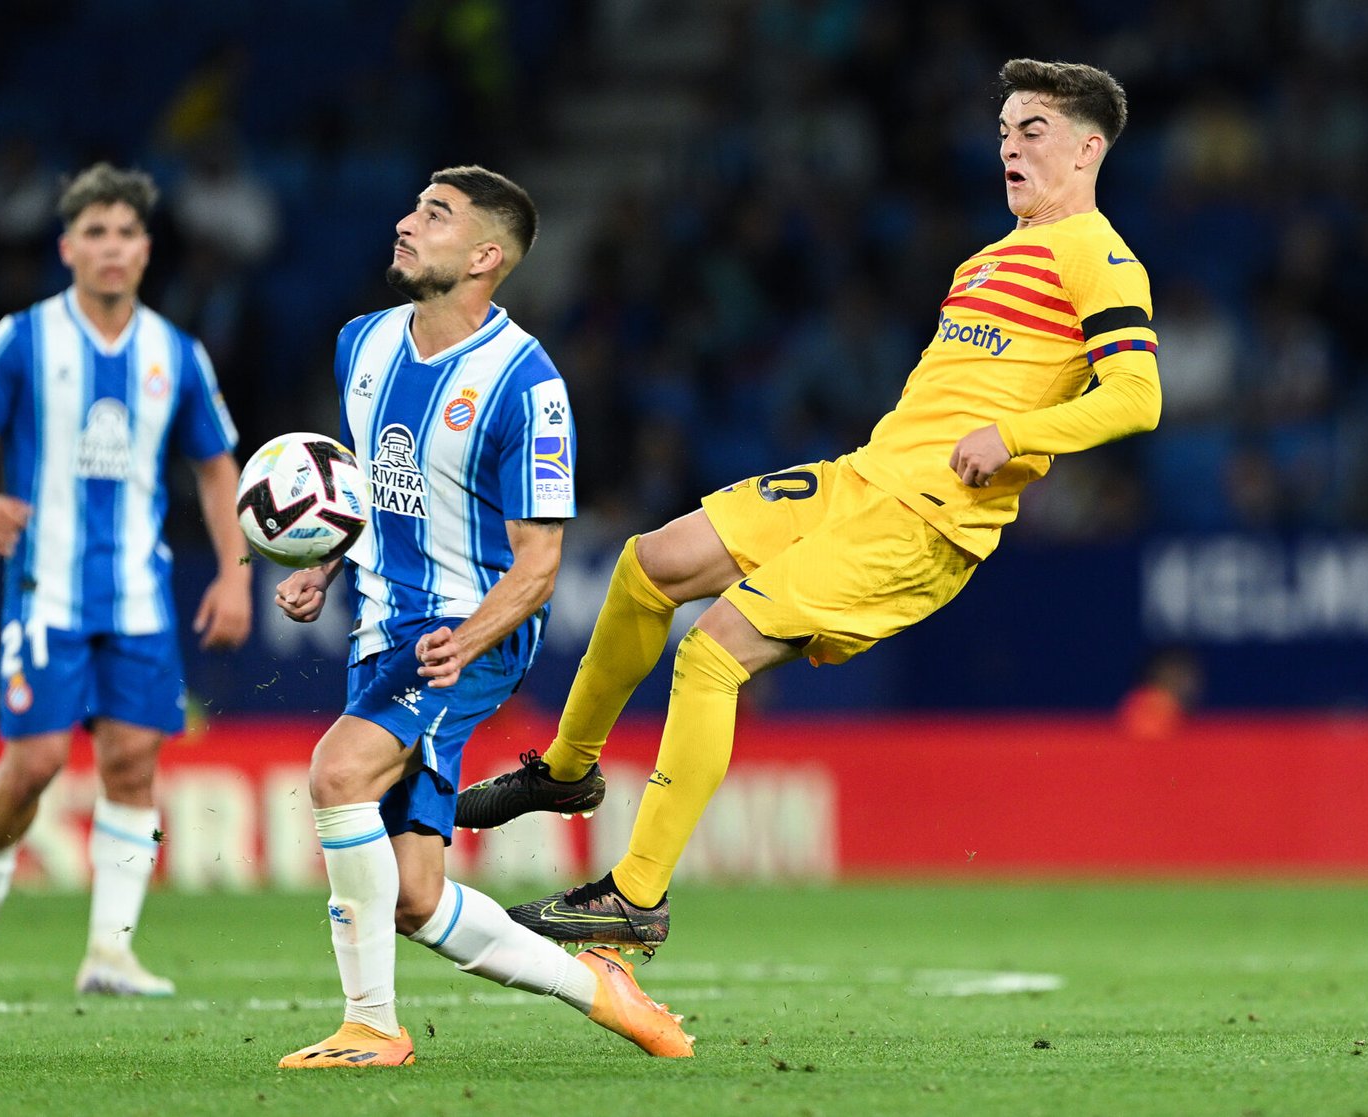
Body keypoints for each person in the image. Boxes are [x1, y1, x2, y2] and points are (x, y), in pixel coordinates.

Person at [455, 58, 1163, 950]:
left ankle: (635, 896)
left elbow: (1139, 396)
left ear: (1089, 148)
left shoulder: (1098, 256)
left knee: (711, 655)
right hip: (861, 480)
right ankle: (565, 772)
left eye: (1034, 132)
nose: (1009, 148)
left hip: (925, 522)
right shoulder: (989, 259)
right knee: (649, 564)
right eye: (1003, 132)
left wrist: (1016, 438)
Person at [271, 166, 693, 1068]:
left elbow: (539, 566)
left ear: (486, 255)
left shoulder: (525, 384)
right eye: (414, 206)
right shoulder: (362, 344)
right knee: (417, 896)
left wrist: (466, 639)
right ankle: (602, 990)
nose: (405, 223)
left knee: (337, 771)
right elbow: (372, 483)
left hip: (469, 635)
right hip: (382, 630)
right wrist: (322, 557)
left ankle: (372, 1025)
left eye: (435, 214)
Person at [0, 163, 253, 997]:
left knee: (133, 763)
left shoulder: (175, 354)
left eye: (126, 234)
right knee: (36, 760)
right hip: (47, 587)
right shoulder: (24, 338)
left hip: (140, 593)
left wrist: (235, 570)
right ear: (68, 247)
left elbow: (218, 467)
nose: (112, 249)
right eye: (96, 234)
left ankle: (109, 951)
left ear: (146, 251)